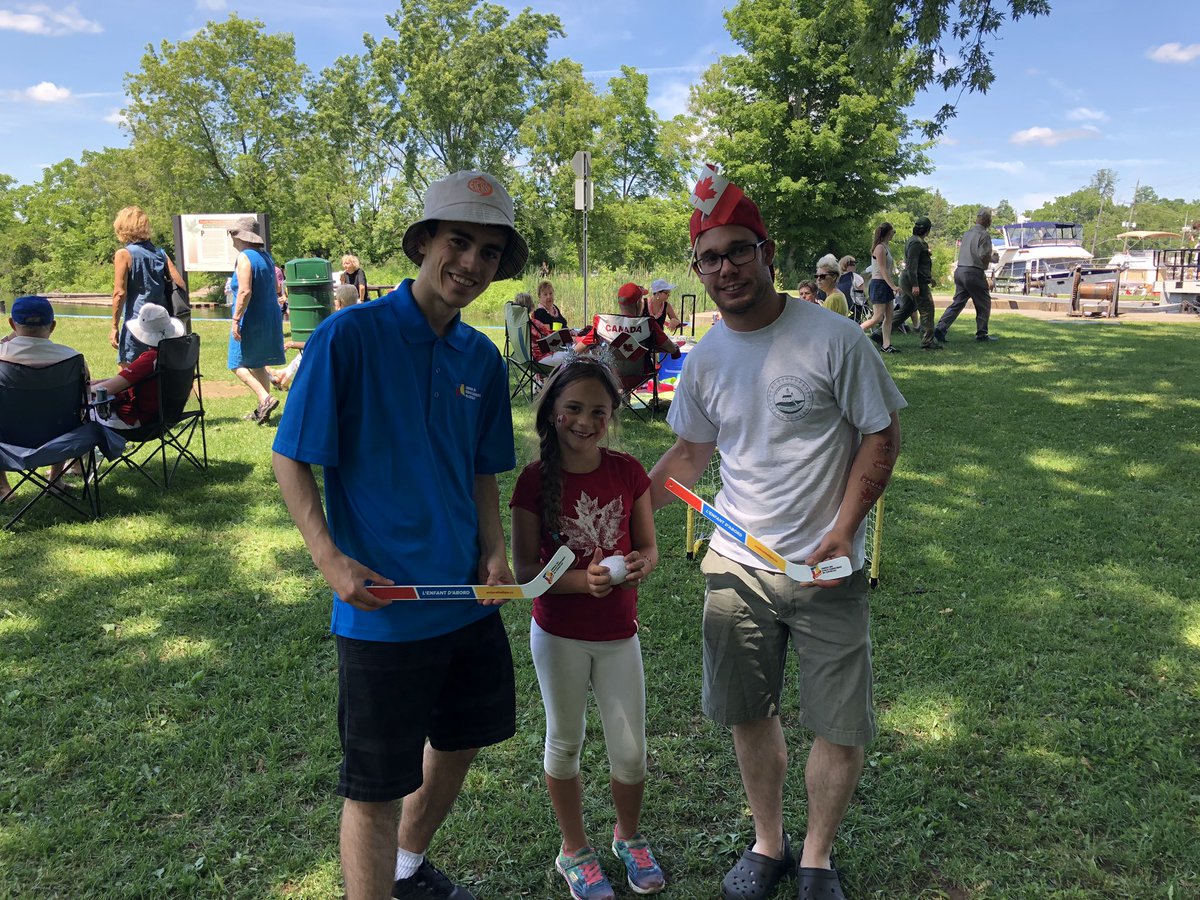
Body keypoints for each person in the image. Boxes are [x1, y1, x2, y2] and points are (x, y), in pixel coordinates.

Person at [648, 171, 905, 900]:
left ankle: (817, 857)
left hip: (826, 567)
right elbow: (689, 454)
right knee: (747, 713)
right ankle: (769, 842)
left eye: (739, 251)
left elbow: (882, 434)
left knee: (840, 725)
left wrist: (845, 529)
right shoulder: (705, 358)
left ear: (766, 251)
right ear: (698, 267)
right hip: (737, 566)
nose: (726, 268)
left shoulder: (834, 338)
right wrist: (619, 515)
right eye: (710, 257)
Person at [271, 169, 528, 900]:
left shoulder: (481, 356)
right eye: (458, 242)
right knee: (376, 787)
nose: (471, 264)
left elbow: (482, 469)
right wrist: (329, 558)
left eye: (488, 252)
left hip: (465, 599)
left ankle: (407, 866)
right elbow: (291, 457)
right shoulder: (349, 336)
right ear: (423, 243)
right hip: (383, 608)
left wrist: (494, 548)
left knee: (463, 740)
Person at [510, 357, 665, 899]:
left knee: (630, 751)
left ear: (612, 416)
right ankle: (574, 849)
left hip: (619, 634)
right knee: (565, 740)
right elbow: (524, 572)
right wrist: (582, 582)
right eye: (573, 408)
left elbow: (648, 547)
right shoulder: (534, 482)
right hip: (559, 635)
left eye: (599, 411)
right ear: (552, 411)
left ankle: (628, 836)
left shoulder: (627, 471)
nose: (585, 421)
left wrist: (641, 564)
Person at [0, 296, 91, 499]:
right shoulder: (73, 359)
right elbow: (84, 401)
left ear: (12, 324)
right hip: (60, 442)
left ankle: (3, 488)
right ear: (53, 326)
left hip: (7, 443)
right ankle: (55, 480)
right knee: (64, 417)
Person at [227, 216, 286, 424]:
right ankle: (263, 409)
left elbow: (244, 291)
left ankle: (265, 398)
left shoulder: (245, 257)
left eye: (233, 235)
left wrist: (236, 319)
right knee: (258, 363)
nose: (232, 239)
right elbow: (277, 288)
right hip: (269, 316)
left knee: (236, 363)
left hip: (250, 318)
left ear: (240, 237)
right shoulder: (266, 257)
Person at [91, 304, 186, 431]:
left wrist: (86, 388)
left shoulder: (150, 359)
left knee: (81, 413)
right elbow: (128, 380)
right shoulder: (176, 355)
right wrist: (98, 382)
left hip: (135, 420)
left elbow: (107, 389)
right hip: (166, 415)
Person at [110, 206, 186, 364]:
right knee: (158, 368)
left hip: (137, 322)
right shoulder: (160, 253)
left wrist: (114, 326)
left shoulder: (123, 254)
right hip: (161, 322)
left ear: (122, 228)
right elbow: (180, 284)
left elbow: (119, 293)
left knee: (128, 370)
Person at [268, 284, 357, 390]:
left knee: (308, 353)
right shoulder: (359, 317)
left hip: (336, 362)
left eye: (335, 299)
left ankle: (282, 378)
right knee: (306, 354)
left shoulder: (336, 321)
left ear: (340, 302)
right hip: (350, 360)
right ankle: (283, 376)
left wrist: (292, 344)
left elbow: (317, 344)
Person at [936, 208, 997, 343]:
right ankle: (982, 333)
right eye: (990, 220)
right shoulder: (984, 235)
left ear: (977, 219)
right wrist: (992, 259)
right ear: (987, 221)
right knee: (984, 303)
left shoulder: (966, 234)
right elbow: (983, 255)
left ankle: (941, 327)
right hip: (974, 272)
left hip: (960, 270)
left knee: (958, 302)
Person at [573, 283, 680, 359]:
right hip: (640, 374)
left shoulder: (603, 323)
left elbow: (576, 350)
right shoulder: (649, 324)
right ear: (639, 303)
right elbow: (670, 348)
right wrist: (675, 350)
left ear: (619, 303)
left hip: (612, 375)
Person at [900, 217, 940, 350]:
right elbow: (912, 266)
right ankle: (927, 341)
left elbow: (920, 265)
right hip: (915, 281)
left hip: (913, 279)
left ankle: (879, 334)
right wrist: (915, 285)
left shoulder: (915, 241)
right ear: (928, 230)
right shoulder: (916, 243)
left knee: (906, 310)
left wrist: (929, 278)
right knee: (927, 309)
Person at [861, 223, 900, 352]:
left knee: (889, 316)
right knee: (877, 317)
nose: (894, 233)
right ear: (888, 232)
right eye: (893, 231)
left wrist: (891, 285)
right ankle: (855, 331)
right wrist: (893, 286)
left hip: (885, 284)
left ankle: (886, 345)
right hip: (879, 284)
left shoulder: (886, 247)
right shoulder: (880, 248)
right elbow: (882, 270)